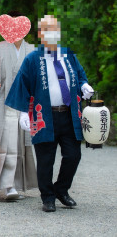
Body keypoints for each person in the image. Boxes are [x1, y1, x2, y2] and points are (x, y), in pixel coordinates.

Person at [5, 15, 94, 212]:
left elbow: (79, 76)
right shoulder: (32, 59)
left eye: (54, 29)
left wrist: (85, 85)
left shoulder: (68, 55)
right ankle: (48, 197)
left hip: (69, 114)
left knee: (73, 155)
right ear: (41, 34)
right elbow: (22, 86)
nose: (52, 33)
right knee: (46, 159)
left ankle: (61, 189)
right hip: (44, 116)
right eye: (47, 29)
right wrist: (22, 114)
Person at [0, 11, 38, 200]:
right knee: (6, 143)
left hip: (24, 104)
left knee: (21, 143)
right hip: (2, 101)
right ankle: (8, 186)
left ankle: (17, 184)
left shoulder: (31, 50)